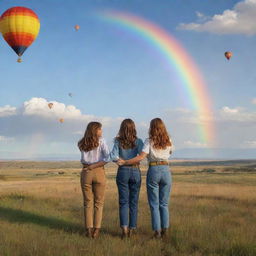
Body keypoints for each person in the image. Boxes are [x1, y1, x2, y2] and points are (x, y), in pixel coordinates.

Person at [118, 118, 173, 239]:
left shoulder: (149, 141)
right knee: (164, 204)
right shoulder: (169, 140)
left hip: (154, 170)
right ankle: (165, 231)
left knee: (154, 204)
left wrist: (126, 162)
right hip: (166, 170)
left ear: (152, 128)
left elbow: (140, 157)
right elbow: (170, 153)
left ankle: (157, 232)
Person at [110, 119, 143, 239]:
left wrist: (120, 161)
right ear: (134, 128)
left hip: (122, 171)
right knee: (134, 202)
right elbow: (141, 156)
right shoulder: (138, 141)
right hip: (135, 171)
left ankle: (124, 229)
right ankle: (132, 229)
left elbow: (113, 155)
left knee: (123, 202)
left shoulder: (118, 141)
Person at [78, 121, 110, 238]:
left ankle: (88, 229)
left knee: (88, 202)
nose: (101, 131)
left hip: (86, 171)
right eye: (100, 129)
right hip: (99, 171)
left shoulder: (81, 143)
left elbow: (83, 158)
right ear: (95, 130)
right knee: (99, 203)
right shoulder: (102, 141)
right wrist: (95, 166)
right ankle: (96, 230)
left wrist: (90, 166)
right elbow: (107, 158)